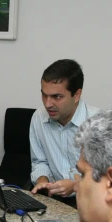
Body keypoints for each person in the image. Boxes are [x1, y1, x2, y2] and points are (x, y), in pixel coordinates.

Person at [29, 59, 99, 206]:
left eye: (57, 97)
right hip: (52, 198)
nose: (48, 104)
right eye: (44, 95)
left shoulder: (98, 124)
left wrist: (75, 185)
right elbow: (39, 161)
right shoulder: (38, 117)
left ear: (77, 95)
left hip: (90, 201)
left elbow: (105, 177)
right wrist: (42, 180)